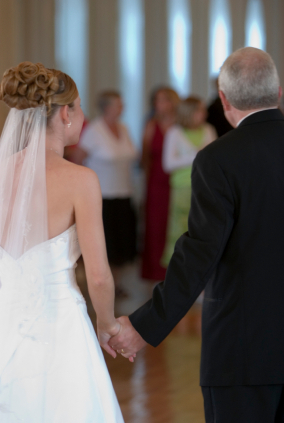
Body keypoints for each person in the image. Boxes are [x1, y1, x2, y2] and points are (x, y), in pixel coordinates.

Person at [110, 47, 284, 422]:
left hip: (243, 352)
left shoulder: (218, 158)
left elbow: (199, 255)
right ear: (278, 91)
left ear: (223, 99)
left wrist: (143, 326)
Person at [0, 62, 130, 422]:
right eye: (79, 105)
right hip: (60, 328)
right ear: (65, 115)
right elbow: (100, 276)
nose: (84, 114)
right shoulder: (80, 180)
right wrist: (107, 325)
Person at [78, 91, 138, 297]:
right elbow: (77, 160)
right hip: (102, 195)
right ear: (106, 107)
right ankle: (100, 286)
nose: (122, 108)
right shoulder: (94, 130)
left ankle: (117, 284)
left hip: (124, 193)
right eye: (118, 105)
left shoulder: (123, 128)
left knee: (123, 242)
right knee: (105, 243)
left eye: (122, 104)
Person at [161, 96, 217, 266]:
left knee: (203, 227)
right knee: (181, 228)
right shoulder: (174, 132)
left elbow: (215, 159)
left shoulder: (208, 130)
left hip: (205, 187)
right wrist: (197, 155)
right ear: (190, 112)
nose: (205, 114)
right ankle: (179, 267)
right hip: (182, 188)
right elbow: (168, 164)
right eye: (200, 110)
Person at [141, 87, 179, 282]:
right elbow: (145, 157)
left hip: (178, 182)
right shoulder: (151, 125)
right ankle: (156, 273)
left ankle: (176, 270)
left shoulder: (181, 125)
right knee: (155, 226)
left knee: (176, 223)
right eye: (156, 100)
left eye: (163, 100)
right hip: (156, 182)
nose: (159, 104)